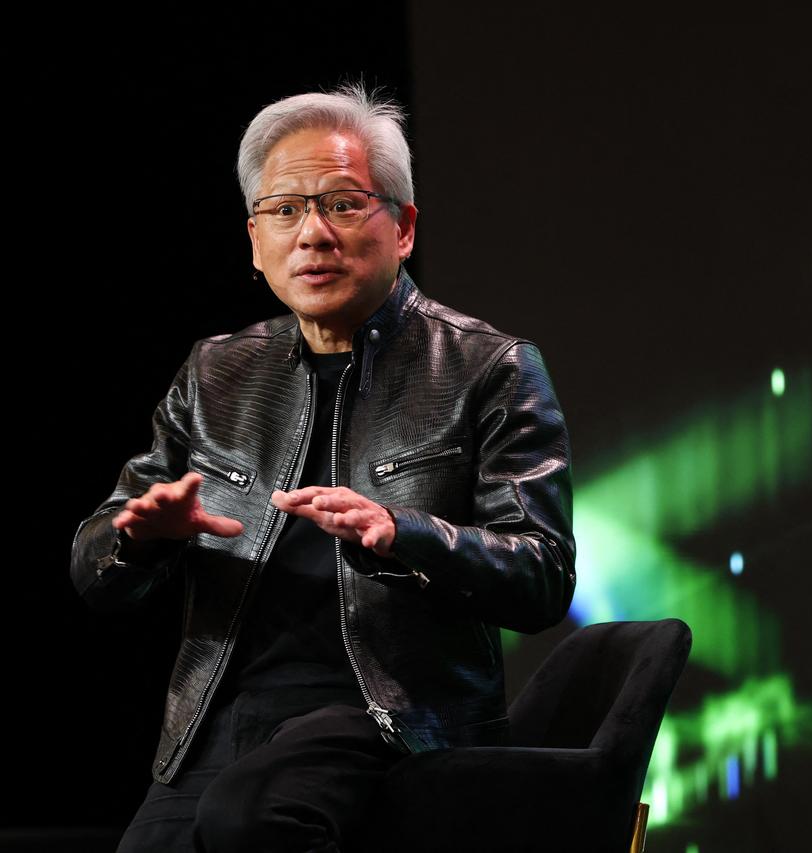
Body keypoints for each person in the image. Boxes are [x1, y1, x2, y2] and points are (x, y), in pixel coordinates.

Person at [69, 83, 576, 852]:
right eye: (283, 210)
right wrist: (139, 536)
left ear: (403, 227)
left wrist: (402, 533)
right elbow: (95, 570)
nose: (311, 234)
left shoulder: (488, 367)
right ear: (253, 240)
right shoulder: (216, 373)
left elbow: (543, 573)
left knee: (253, 816)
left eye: (342, 203)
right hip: (219, 719)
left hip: (392, 717)